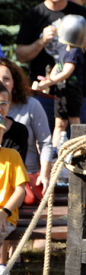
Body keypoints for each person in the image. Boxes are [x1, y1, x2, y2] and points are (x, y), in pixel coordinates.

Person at [15, 0, 86, 130]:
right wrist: (41, 41)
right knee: (44, 143)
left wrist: (83, 40)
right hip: (43, 93)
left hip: (76, 92)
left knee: (78, 143)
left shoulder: (83, 14)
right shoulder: (33, 16)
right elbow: (21, 55)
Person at [1, 59, 53, 192]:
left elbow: (45, 142)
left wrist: (44, 174)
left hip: (27, 176)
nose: (1, 82)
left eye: (6, 78)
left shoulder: (32, 105)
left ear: (14, 82)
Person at [37, 15, 85, 152]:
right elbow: (57, 67)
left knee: (74, 120)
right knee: (60, 122)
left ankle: (80, 149)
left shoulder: (75, 52)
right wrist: (48, 81)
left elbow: (66, 72)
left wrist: (50, 82)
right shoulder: (64, 50)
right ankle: (53, 150)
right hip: (60, 90)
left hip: (72, 91)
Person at [0, 115, 32, 275]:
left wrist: (4, 213)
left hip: (5, 215)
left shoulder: (12, 156)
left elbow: (20, 191)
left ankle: (1, 266)